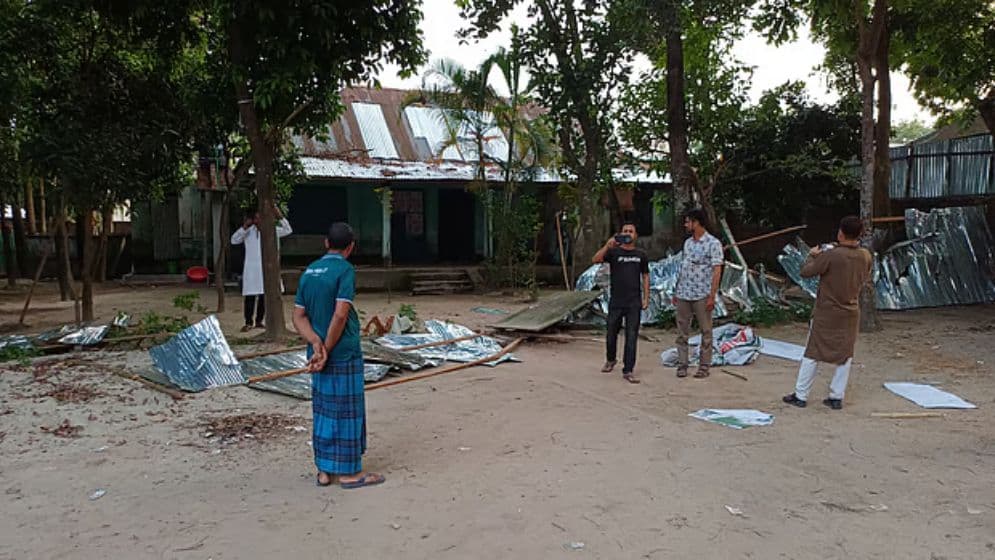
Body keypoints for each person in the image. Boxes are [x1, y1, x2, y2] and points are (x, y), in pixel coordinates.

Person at [292, 222, 384, 489]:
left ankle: (324, 469)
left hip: (315, 356)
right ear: (351, 247)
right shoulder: (345, 270)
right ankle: (349, 473)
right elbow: (341, 313)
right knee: (347, 410)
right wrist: (328, 349)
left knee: (323, 410)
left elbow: (298, 316)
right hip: (342, 353)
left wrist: (316, 343)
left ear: (325, 243)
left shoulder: (309, 271)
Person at [783, 216, 872, 410]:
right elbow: (865, 276)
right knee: (845, 354)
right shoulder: (865, 255)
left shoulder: (832, 255)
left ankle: (801, 394)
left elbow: (806, 272)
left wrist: (813, 255)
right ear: (859, 234)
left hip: (827, 311)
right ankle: (836, 397)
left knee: (812, 352)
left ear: (841, 233)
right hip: (850, 311)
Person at [593, 221, 650, 384]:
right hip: (616, 301)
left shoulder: (641, 255)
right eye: (625, 231)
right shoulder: (614, 252)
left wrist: (646, 297)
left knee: (631, 336)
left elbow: (645, 276)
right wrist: (607, 245)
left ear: (636, 235)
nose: (627, 234)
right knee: (611, 333)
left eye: (631, 231)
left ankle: (628, 370)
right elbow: (595, 260)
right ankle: (611, 360)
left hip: (634, 302)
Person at [673, 208, 723, 379]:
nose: (685, 225)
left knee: (706, 331)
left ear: (696, 222)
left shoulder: (713, 244)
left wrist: (712, 295)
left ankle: (704, 365)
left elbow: (717, 270)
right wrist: (676, 289)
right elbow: (683, 267)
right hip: (684, 292)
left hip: (702, 293)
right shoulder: (688, 243)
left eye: (688, 221)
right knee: (682, 331)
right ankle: (682, 364)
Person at [230, 205, 293, 332]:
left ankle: (259, 321)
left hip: (267, 268)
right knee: (250, 296)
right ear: (253, 219)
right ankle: (248, 322)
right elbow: (234, 240)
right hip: (251, 269)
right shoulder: (248, 231)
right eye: (257, 218)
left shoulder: (273, 230)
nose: (259, 220)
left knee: (264, 295)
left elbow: (288, 230)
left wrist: (279, 215)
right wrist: (245, 227)